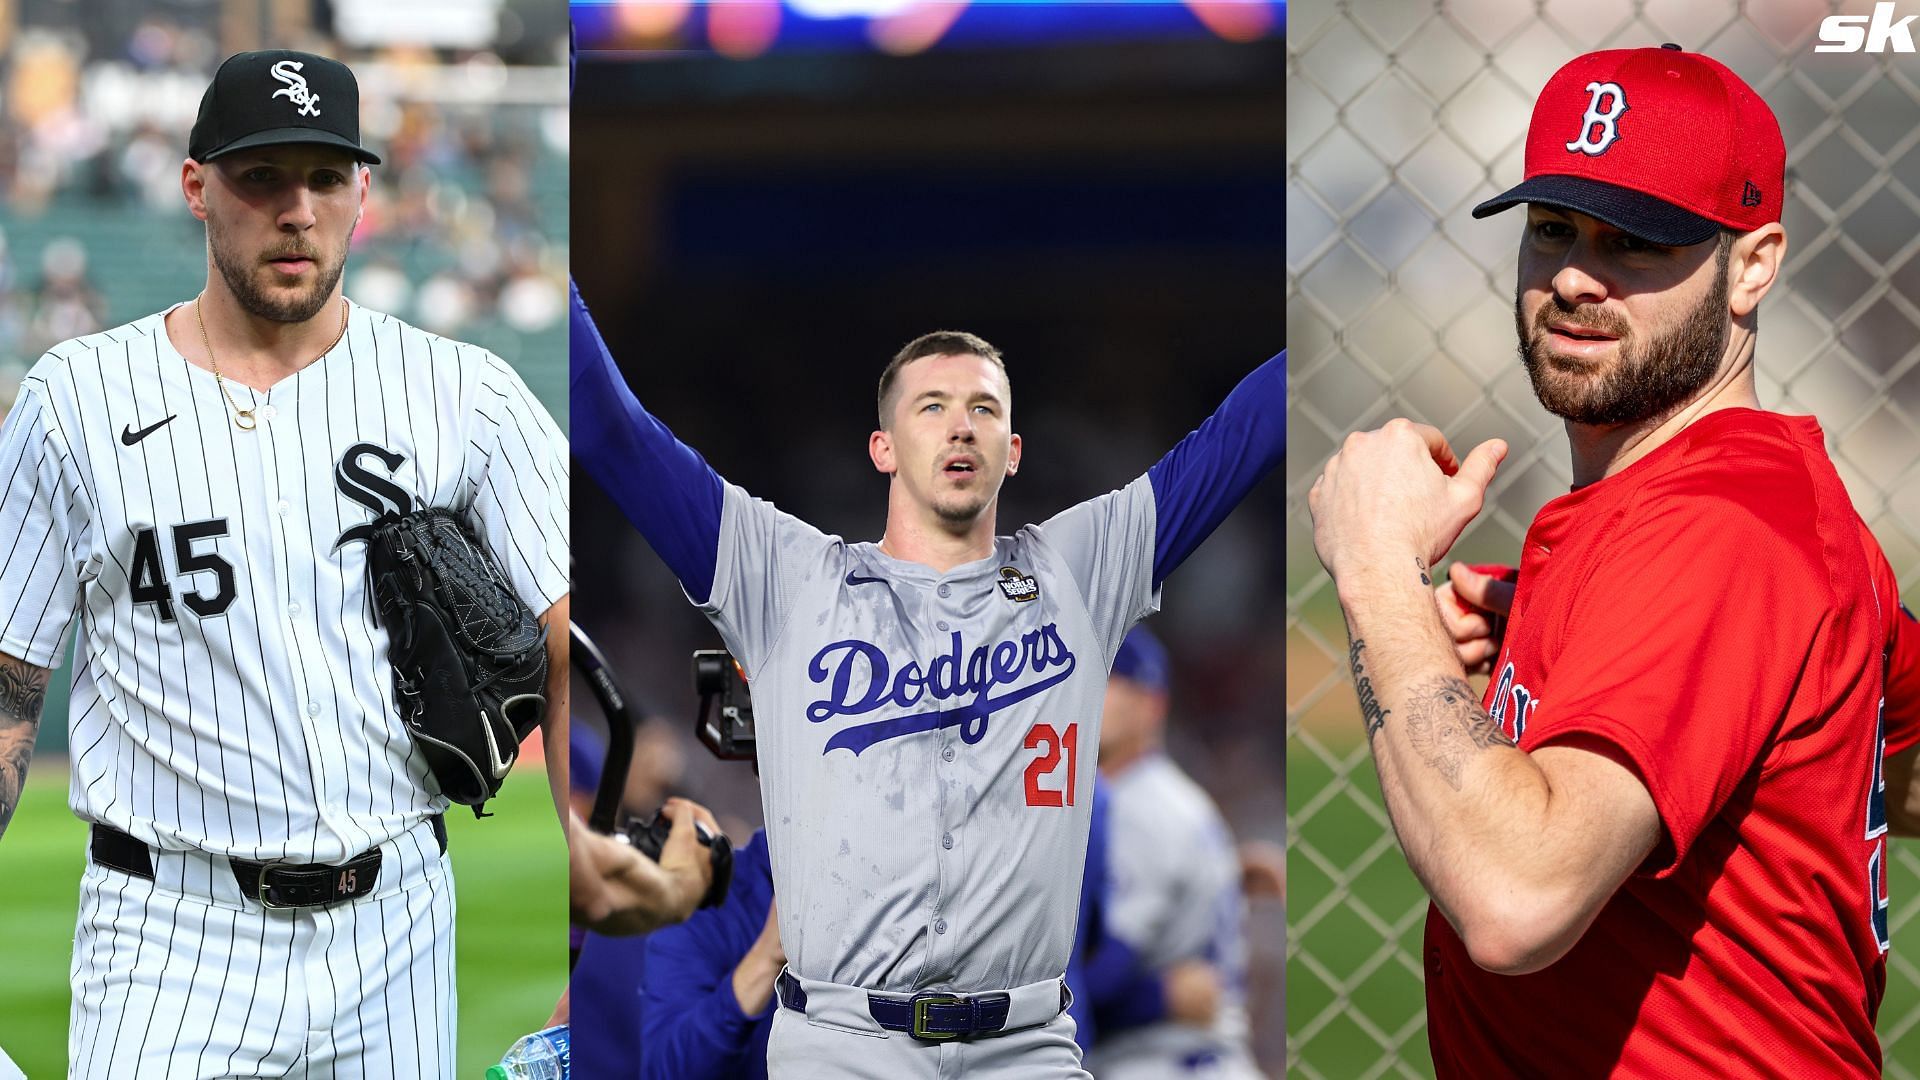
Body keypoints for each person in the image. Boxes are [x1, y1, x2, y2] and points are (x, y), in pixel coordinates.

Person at [1308, 44, 1920, 1076]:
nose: (1577, 277)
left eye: (1638, 241)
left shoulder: (1721, 528)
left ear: (1755, 263)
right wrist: (1609, 684)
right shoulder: (1711, 512)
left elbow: (1514, 900)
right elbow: (1884, 760)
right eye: (1554, 229)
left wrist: (1377, 570)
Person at [0, 50, 574, 1077]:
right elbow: (7, 692)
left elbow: (568, 648)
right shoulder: (76, 399)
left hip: (396, 921)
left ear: (364, 190)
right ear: (195, 188)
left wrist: (598, 915)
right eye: (261, 177)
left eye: (323, 177)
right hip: (165, 934)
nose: (296, 209)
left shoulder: (464, 393)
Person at [570, 278, 1282, 1076]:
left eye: (984, 408)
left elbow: (1241, 435)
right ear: (882, 447)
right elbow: (609, 428)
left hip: (1027, 1045)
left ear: (1013, 451)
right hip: (842, 1043)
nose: (961, 427)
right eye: (932, 406)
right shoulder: (785, 576)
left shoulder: (1081, 570)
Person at [1084, 626, 1263, 1080]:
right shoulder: (1163, 796)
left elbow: (1102, 980)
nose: (1084, 696)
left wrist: (1158, 998)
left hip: (1159, 1062)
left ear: (1151, 705)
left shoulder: (1136, 808)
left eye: (1107, 683)